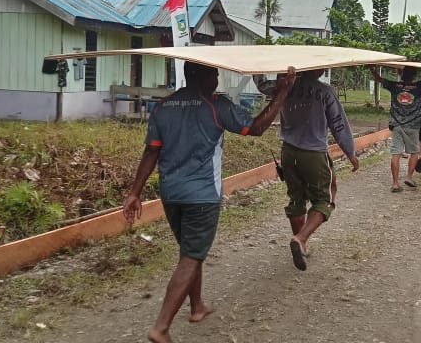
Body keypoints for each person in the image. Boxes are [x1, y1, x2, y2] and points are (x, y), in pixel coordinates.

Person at [123, 63, 296, 343]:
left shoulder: (164, 106)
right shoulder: (216, 106)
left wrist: (134, 192)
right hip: (202, 195)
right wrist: (283, 92)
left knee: (190, 250)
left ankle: (197, 306)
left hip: (171, 194)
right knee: (192, 255)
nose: (217, 78)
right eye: (213, 73)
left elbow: (151, 151)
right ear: (200, 77)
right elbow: (256, 128)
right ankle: (161, 327)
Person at [257, 69, 361, 271]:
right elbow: (338, 125)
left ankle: (301, 246)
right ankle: (301, 238)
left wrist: (259, 67)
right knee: (325, 200)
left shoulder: (285, 86)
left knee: (296, 199)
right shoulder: (325, 91)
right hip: (313, 154)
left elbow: (262, 85)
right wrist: (351, 153)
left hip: (288, 152)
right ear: (320, 69)